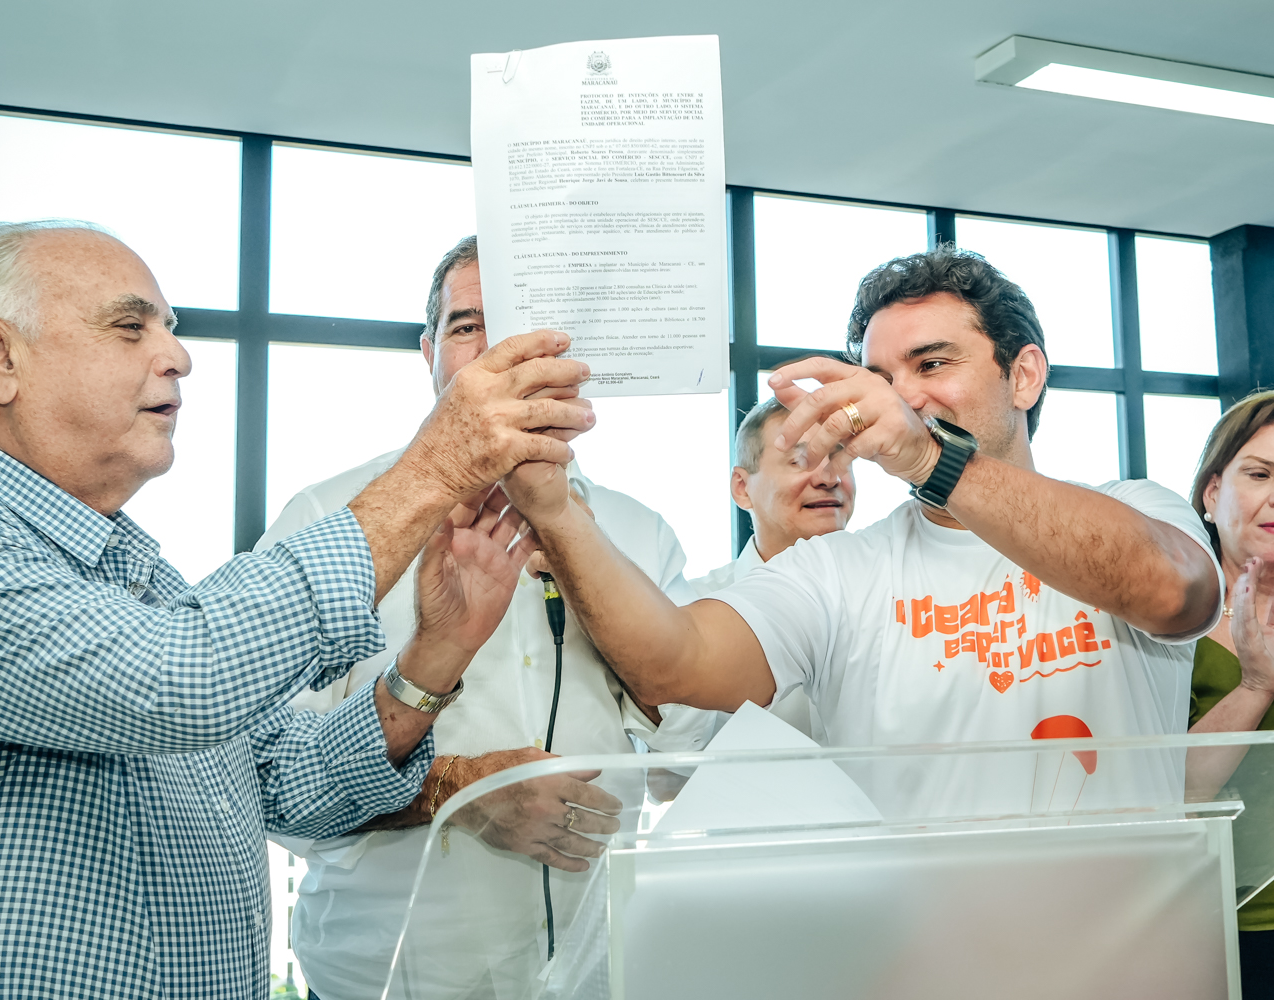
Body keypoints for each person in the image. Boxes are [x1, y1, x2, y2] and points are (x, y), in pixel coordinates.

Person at [0, 220, 593, 999]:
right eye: (129, 327)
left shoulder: (144, 582)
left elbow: (288, 781)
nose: (178, 356)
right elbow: (183, 680)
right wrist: (441, 462)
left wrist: (436, 653)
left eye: (169, 328)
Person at [502, 245, 1223, 814]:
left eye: (932, 363)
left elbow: (1170, 594)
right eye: (880, 379)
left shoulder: (1139, 506)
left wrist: (933, 461)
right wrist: (556, 511)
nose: (903, 398)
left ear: (1024, 376)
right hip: (918, 947)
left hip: (1134, 946)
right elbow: (677, 661)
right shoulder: (841, 570)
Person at [256, 235, 713, 1000]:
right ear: (429, 353)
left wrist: (592, 576)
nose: (499, 352)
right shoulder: (326, 519)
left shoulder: (638, 533)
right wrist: (455, 793)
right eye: (469, 327)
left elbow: (686, 759)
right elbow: (262, 774)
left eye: (519, 330)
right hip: (392, 974)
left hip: (599, 971)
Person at [688, 395, 855, 736]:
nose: (829, 478)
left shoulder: (896, 596)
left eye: (840, 457)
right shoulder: (691, 613)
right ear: (742, 488)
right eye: (800, 460)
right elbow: (670, 760)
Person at [1181, 389, 1274, 997]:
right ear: (1212, 493)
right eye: (1260, 474)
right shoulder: (1166, 624)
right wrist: (1256, 685)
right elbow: (1173, 789)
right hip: (1224, 926)